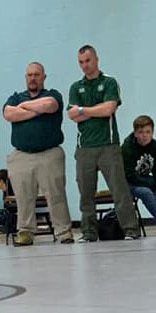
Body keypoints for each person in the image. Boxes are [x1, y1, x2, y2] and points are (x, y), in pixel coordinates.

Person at [68, 45, 140, 242]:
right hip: (84, 148)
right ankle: (89, 233)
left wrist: (84, 110)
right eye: (81, 62)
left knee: (119, 190)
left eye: (88, 60)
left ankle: (131, 230)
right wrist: (91, 110)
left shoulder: (109, 82)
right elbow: (72, 115)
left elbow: (109, 109)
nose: (85, 65)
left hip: (108, 145)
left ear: (97, 59)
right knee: (86, 194)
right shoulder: (76, 87)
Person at [4, 62, 73, 246]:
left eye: (36, 74)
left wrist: (25, 107)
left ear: (44, 77)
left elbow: (50, 105)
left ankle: (63, 232)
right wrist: (37, 110)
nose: (32, 78)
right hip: (21, 156)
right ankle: (25, 232)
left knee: (56, 194)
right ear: (25, 77)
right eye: (29, 75)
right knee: (23, 197)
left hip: (50, 153)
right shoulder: (15, 97)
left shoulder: (52, 94)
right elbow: (9, 114)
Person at [121, 115, 156, 218]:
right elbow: (130, 175)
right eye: (141, 132)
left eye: (148, 132)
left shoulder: (154, 147)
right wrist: (152, 184)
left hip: (144, 180)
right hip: (127, 182)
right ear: (135, 133)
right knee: (146, 192)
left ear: (152, 132)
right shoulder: (127, 148)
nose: (144, 136)